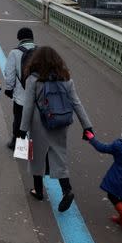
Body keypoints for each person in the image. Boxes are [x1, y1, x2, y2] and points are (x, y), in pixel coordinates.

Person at [18, 46, 93, 212]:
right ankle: (67, 190)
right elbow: (76, 103)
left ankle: (38, 190)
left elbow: (28, 106)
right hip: (60, 121)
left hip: (39, 123)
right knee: (59, 155)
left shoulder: (33, 80)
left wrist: (22, 129)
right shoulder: (66, 80)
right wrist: (87, 126)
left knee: (36, 156)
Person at [4, 27, 37, 149]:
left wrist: (9, 89)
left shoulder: (15, 52)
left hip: (21, 96)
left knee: (19, 119)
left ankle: (16, 143)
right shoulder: (40, 51)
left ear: (19, 38)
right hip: (38, 96)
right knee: (35, 121)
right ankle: (36, 146)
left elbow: (10, 74)